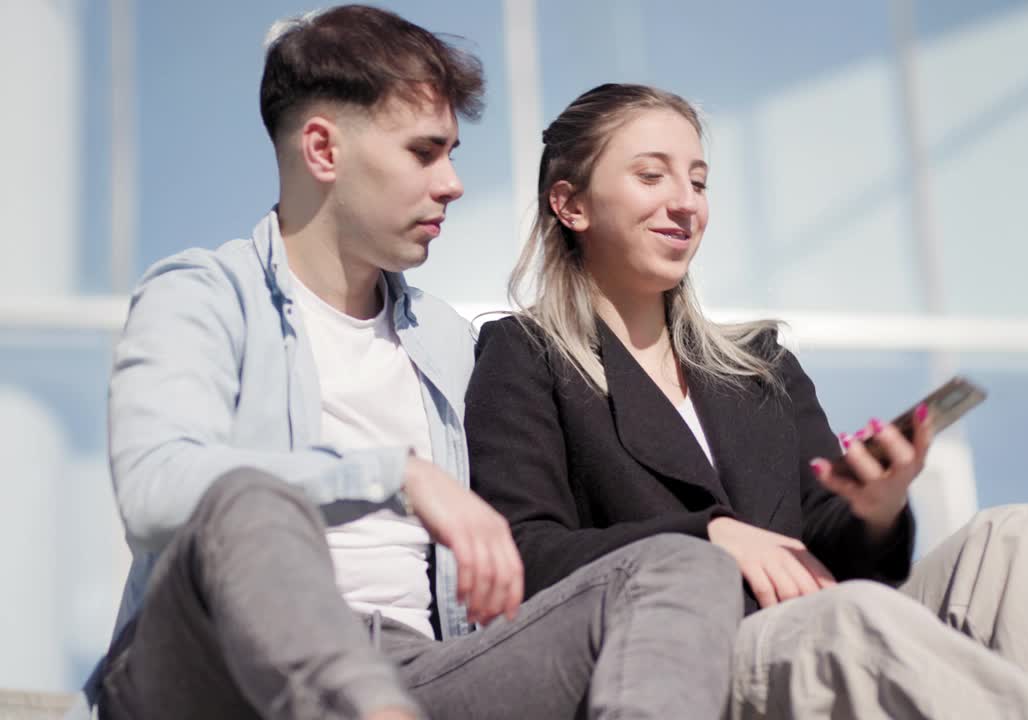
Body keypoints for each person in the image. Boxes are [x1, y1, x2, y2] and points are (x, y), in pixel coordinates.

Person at [76, 15, 741, 720]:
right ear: (324, 149)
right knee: (248, 498)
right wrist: (392, 474)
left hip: (413, 674)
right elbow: (154, 491)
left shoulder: (450, 342)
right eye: (425, 152)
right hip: (209, 669)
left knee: (679, 564)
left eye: (452, 152)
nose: (453, 183)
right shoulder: (203, 294)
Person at [465, 82, 1028, 719]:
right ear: (571, 204)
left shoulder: (761, 367)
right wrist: (707, 536)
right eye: (652, 175)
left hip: (825, 637)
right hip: (691, 661)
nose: (686, 201)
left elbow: (836, 549)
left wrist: (876, 508)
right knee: (849, 618)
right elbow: (523, 555)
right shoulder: (525, 359)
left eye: (698, 180)